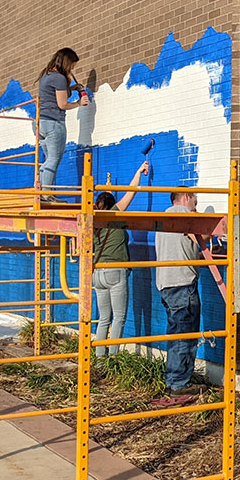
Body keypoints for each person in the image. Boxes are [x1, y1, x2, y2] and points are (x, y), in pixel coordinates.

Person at [92, 160, 150, 357]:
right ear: (111, 205)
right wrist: (139, 171)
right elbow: (131, 191)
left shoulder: (92, 222)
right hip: (115, 272)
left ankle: (100, 359)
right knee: (119, 318)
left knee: (103, 319)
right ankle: (113, 358)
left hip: (97, 272)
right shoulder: (114, 214)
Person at [154, 190, 206, 395]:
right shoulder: (186, 215)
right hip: (183, 282)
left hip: (166, 284)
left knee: (176, 333)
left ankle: (174, 379)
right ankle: (179, 383)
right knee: (185, 334)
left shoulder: (163, 218)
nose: (196, 205)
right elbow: (205, 234)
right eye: (195, 201)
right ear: (186, 197)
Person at [37, 47, 88, 199]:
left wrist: (71, 87)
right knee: (54, 159)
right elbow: (62, 104)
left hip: (40, 123)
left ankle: (45, 193)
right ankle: (45, 195)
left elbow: (53, 95)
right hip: (53, 123)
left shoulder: (46, 75)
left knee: (49, 159)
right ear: (67, 62)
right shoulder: (59, 78)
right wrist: (79, 103)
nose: (72, 68)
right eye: (72, 65)